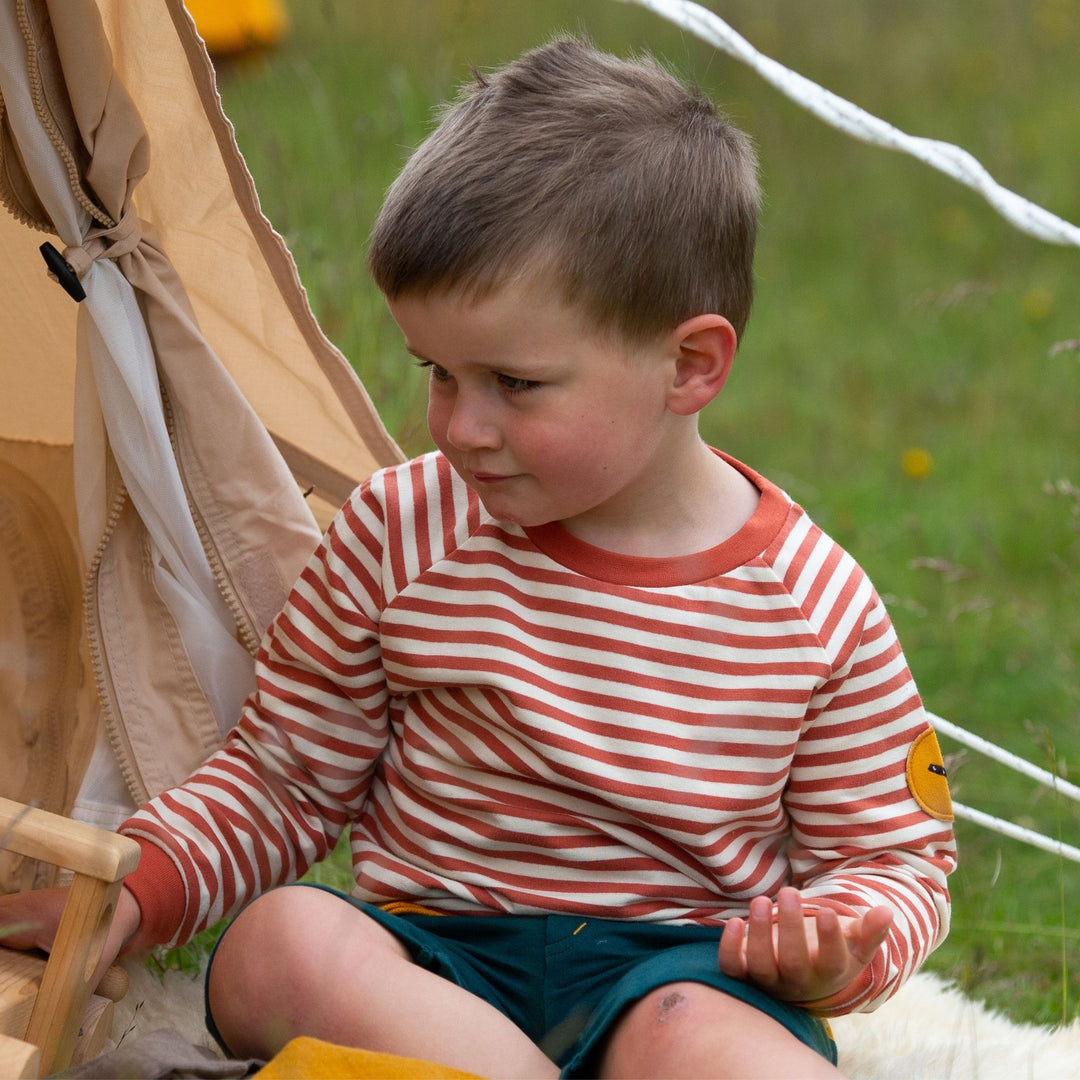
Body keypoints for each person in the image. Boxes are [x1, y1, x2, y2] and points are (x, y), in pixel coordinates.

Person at [1, 37, 955, 1079]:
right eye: (438, 373)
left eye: (514, 383)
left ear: (690, 364)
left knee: (723, 1054)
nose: (457, 427)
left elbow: (894, 858)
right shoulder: (401, 529)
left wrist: (837, 944)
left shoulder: (816, 607)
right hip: (434, 963)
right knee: (282, 944)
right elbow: (283, 776)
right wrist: (140, 894)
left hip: (681, 978)